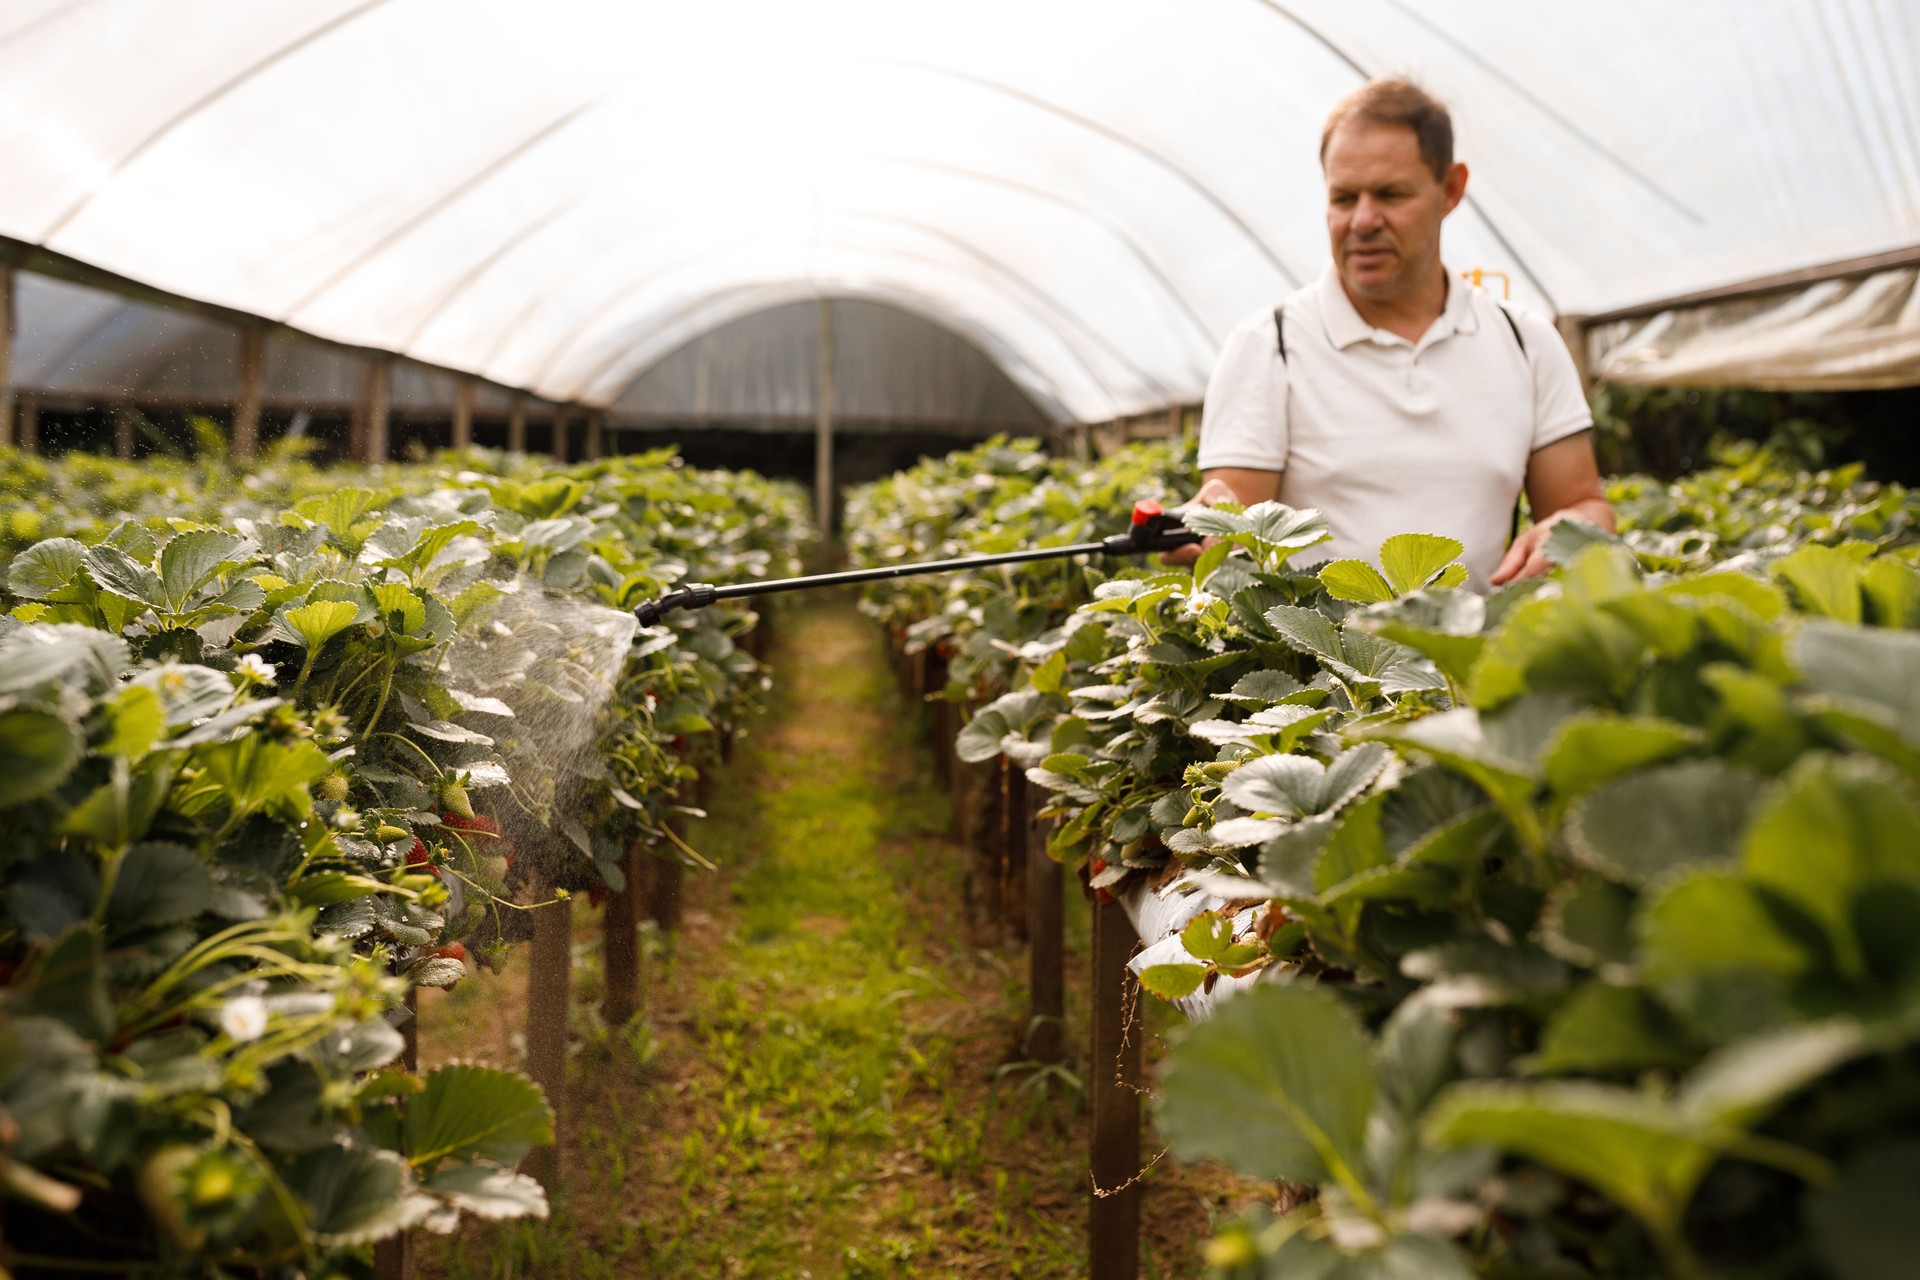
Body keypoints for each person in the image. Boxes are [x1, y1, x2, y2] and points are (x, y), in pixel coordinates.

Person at [1179, 78, 1613, 587]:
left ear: (1451, 189)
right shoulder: (1269, 346)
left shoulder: (1525, 341)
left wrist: (1573, 527)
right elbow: (1234, 527)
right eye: (1343, 198)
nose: (1363, 220)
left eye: (1390, 194)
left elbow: (1583, 503)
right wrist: (1211, 524)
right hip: (1327, 665)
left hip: (1477, 657)